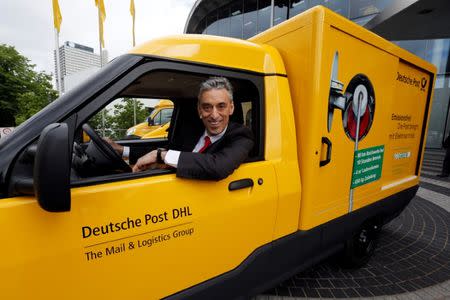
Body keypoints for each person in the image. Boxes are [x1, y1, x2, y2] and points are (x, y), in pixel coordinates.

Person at [110, 77, 254, 180]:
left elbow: (218, 166)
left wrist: (160, 156)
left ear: (231, 108)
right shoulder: (192, 131)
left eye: (221, 106)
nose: (214, 115)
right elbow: (166, 148)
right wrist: (122, 150)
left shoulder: (241, 135)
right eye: (207, 107)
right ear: (199, 110)